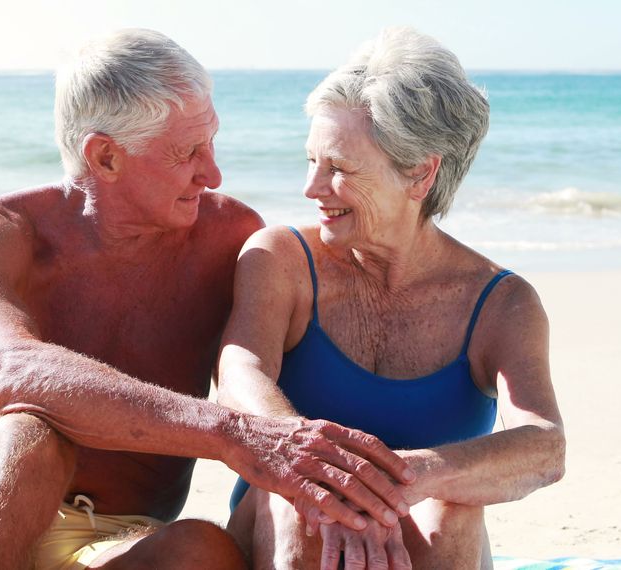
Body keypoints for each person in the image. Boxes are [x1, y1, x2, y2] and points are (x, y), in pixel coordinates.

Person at [0, 29, 418, 570]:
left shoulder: (229, 236)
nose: (213, 172)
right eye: (187, 153)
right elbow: (2, 369)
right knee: (29, 437)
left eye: (212, 142)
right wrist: (232, 435)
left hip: (115, 538)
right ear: (105, 157)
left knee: (202, 550)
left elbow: (282, 352)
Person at [218, 27, 566, 570]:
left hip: (423, 531)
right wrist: (323, 474)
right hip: (283, 519)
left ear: (420, 174)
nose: (312, 188)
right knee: (304, 511)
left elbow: (544, 445)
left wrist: (412, 478)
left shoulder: (502, 303)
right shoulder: (281, 259)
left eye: (338, 168)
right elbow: (239, 372)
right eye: (311, 161)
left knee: (452, 511)